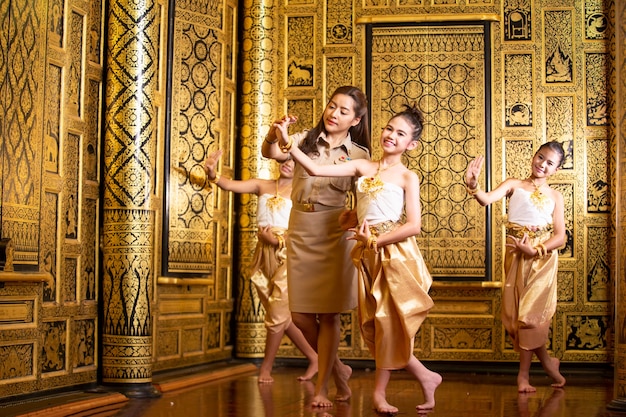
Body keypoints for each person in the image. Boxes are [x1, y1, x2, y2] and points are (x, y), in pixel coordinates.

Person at [275, 103, 442, 414]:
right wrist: (287, 141)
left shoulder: (408, 176)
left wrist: (376, 239)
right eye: (389, 128)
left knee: (388, 323)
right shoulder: (363, 165)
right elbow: (315, 170)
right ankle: (426, 376)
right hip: (366, 253)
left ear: (411, 144)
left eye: (400, 133)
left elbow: (413, 225)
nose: (391, 135)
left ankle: (380, 394)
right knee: (375, 324)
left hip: (394, 254)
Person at [261, 86, 371, 407]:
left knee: (329, 315)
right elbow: (270, 152)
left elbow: (365, 198)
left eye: (343, 111)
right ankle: (339, 370)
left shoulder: (360, 155)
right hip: (300, 229)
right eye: (331, 106)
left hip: (333, 235)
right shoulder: (304, 141)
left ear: (355, 120)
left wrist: (357, 219)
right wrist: (275, 132)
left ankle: (323, 388)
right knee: (300, 316)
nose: (333, 114)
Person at [203, 150, 318, 383]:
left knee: (277, 313)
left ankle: (266, 368)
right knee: (280, 316)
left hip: (290, 255)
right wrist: (213, 174)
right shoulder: (262, 185)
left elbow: (309, 230)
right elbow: (230, 185)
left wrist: (278, 240)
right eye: (285, 159)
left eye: (294, 162)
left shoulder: (302, 193)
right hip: (263, 254)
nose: (287, 164)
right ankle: (315, 358)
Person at [465, 141, 567, 393]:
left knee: (530, 318)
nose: (542, 164)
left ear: (557, 169)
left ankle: (523, 376)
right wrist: (474, 185)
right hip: (515, 257)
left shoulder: (555, 196)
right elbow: (486, 200)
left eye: (549, 163)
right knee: (515, 318)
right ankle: (548, 362)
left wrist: (536, 249)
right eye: (540, 157)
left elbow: (561, 236)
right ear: (533, 156)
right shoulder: (513, 184)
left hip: (541, 259)